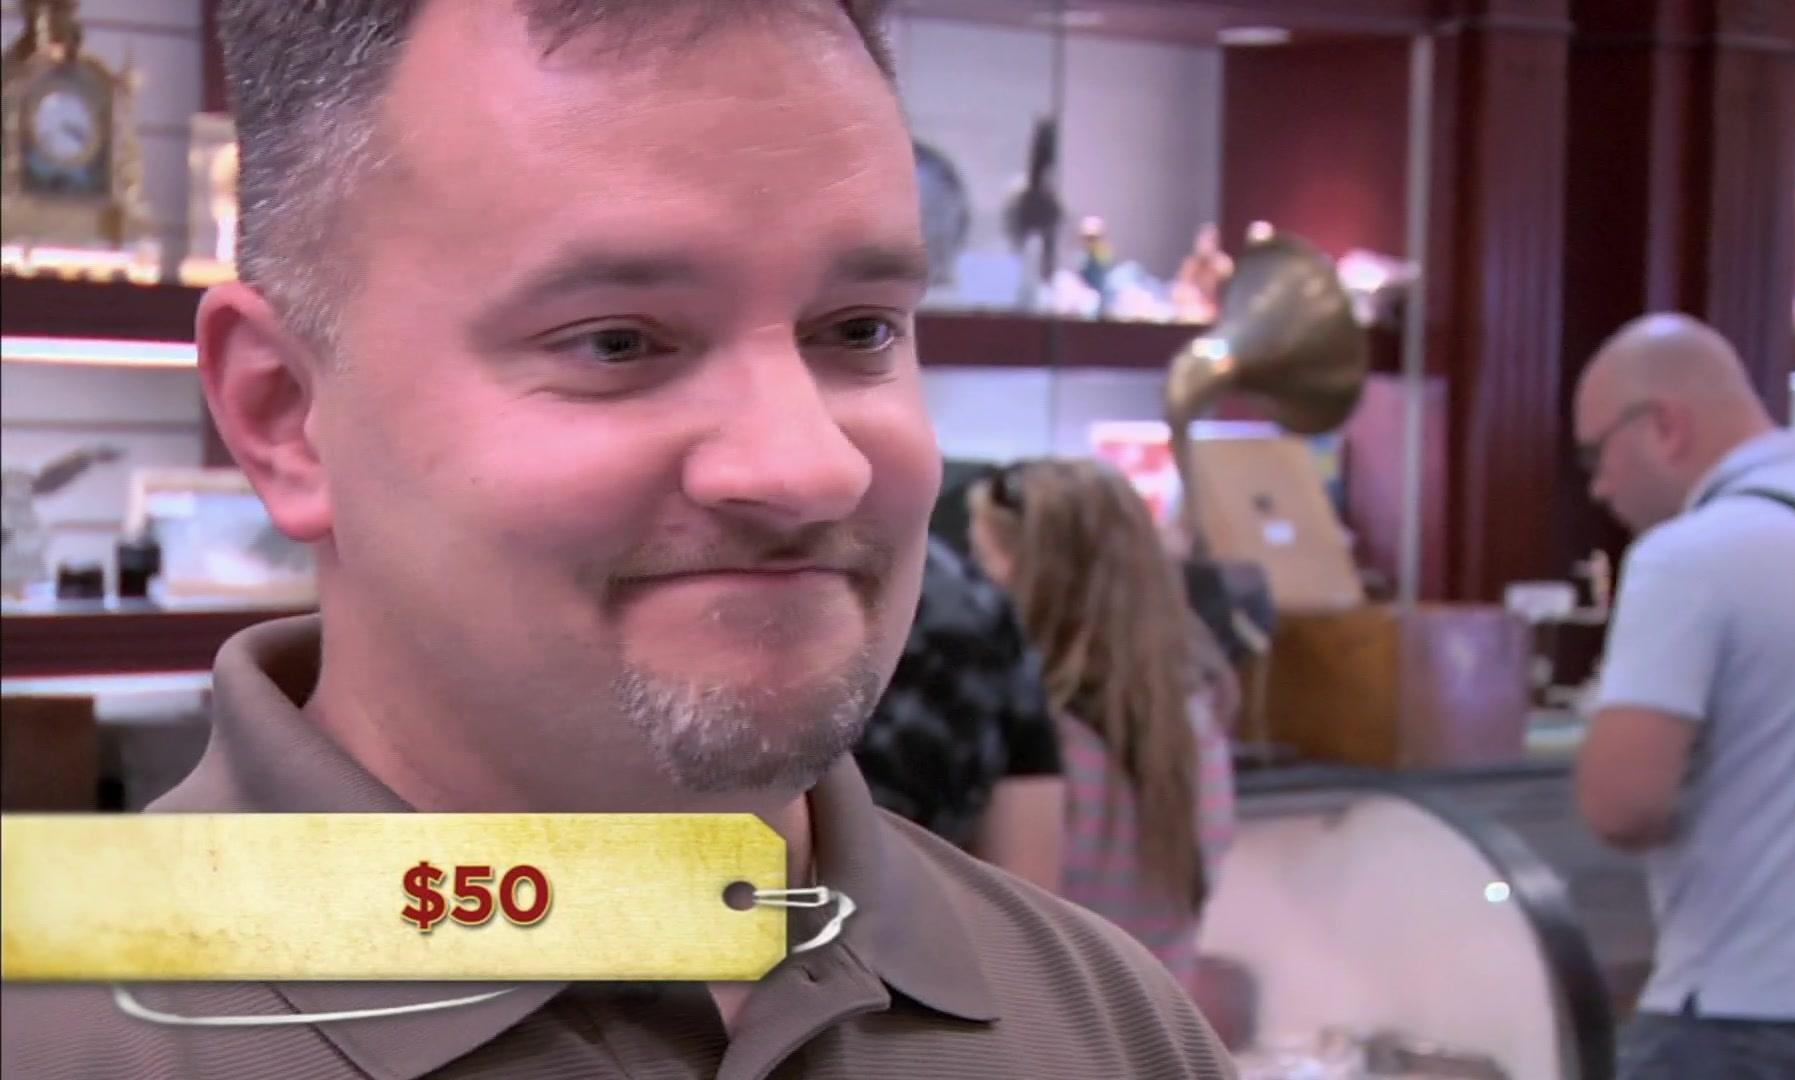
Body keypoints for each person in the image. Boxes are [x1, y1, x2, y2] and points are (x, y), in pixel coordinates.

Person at [0, 3, 1237, 1077]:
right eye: (619, 342)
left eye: (859, 330)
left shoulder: (1110, 1027)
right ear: (285, 417)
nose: (810, 466)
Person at [1572, 313, 1795, 1079]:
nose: (1600, 487)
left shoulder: (1687, 558)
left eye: (1597, 454)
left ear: (1664, 425)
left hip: (1747, 1011)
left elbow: (1621, 805)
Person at [966, 458, 1238, 992]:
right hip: (1153, 1026)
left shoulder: (1034, 745)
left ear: (1026, 574)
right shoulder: (1193, 724)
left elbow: (1006, 945)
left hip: (1046, 1027)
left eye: (980, 561)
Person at [858, 534, 1066, 892]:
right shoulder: (975, 602)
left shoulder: (975, 606)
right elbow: (1026, 882)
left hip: (774, 902)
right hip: (920, 906)